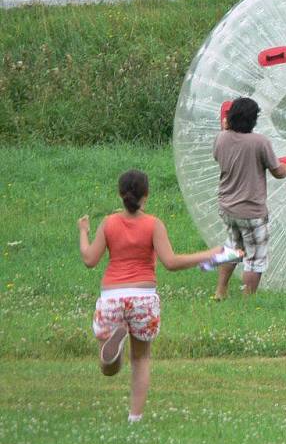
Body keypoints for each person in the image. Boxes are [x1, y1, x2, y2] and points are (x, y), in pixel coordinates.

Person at [78, 169, 236, 422]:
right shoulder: (153, 224)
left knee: (108, 369)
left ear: (120, 195)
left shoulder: (108, 223)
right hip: (143, 297)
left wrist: (84, 231)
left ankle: (114, 349)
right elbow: (171, 262)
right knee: (140, 359)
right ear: (146, 196)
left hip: (112, 296)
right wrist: (211, 254)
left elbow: (89, 259)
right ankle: (135, 418)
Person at [213, 97, 286, 299]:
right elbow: (279, 172)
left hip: (227, 207)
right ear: (253, 120)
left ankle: (220, 291)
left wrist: (225, 129)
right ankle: (248, 299)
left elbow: (218, 156)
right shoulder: (259, 142)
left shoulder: (221, 138)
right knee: (255, 257)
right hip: (251, 211)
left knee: (233, 247)